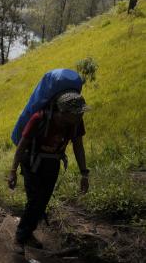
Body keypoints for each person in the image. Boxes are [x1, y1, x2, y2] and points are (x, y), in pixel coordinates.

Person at [8, 91, 90, 255]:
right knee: (35, 201)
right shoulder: (39, 118)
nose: (81, 115)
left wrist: (84, 173)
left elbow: (78, 146)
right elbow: (22, 145)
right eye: (77, 112)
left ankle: (28, 233)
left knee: (42, 201)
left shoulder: (76, 123)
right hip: (31, 162)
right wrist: (13, 171)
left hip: (52, 163)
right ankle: (19, 237)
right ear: (64, 112)